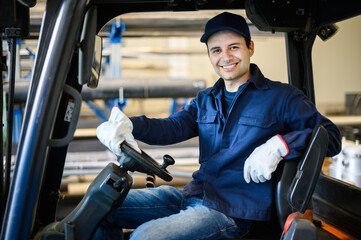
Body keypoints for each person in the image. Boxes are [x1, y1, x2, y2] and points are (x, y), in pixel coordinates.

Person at [94, 12, 341, 240]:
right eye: (216, 50)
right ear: (210, 55)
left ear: (250, 47)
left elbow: (331, 137)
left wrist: (281, 145)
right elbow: (172, 127)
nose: (226, 57)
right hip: (194, 197)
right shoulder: (206, 100)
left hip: (235, 212)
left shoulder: (282, 97)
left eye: (234, 47)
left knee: (146, 237)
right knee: (99, 206)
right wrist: (130, 125)